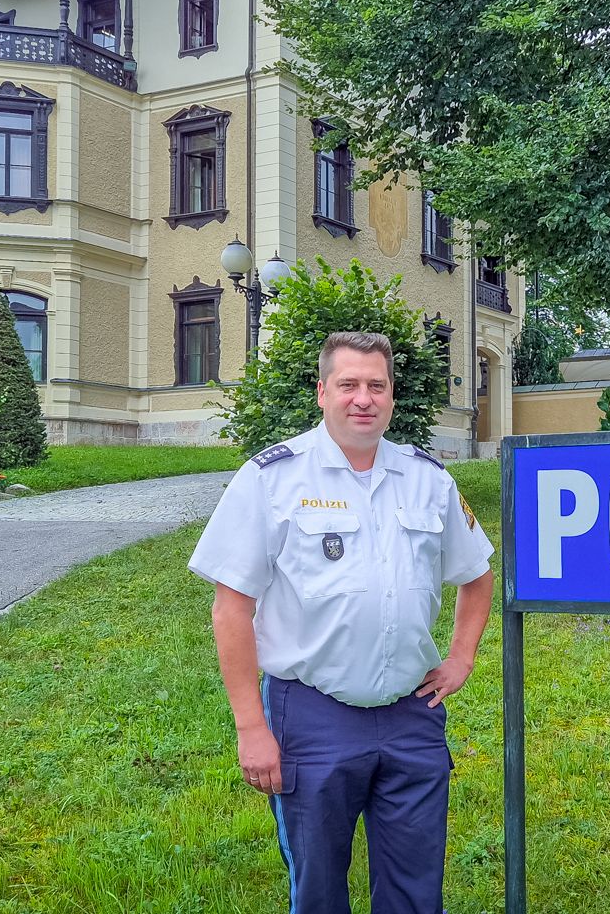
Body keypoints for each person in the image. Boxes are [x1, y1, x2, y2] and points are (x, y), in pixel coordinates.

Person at [189, 330, 495, 914]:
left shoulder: (428, 478)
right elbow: (231, 609)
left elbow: (476, 575)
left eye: (376, 385)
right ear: (323, 391)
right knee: (320, 888)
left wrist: (460, 658)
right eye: (349, 384)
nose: (364, 398)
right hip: (312, 716)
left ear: (392, 397)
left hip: (412, 715)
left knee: (416, 885)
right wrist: (253, 729)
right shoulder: (273, 478)